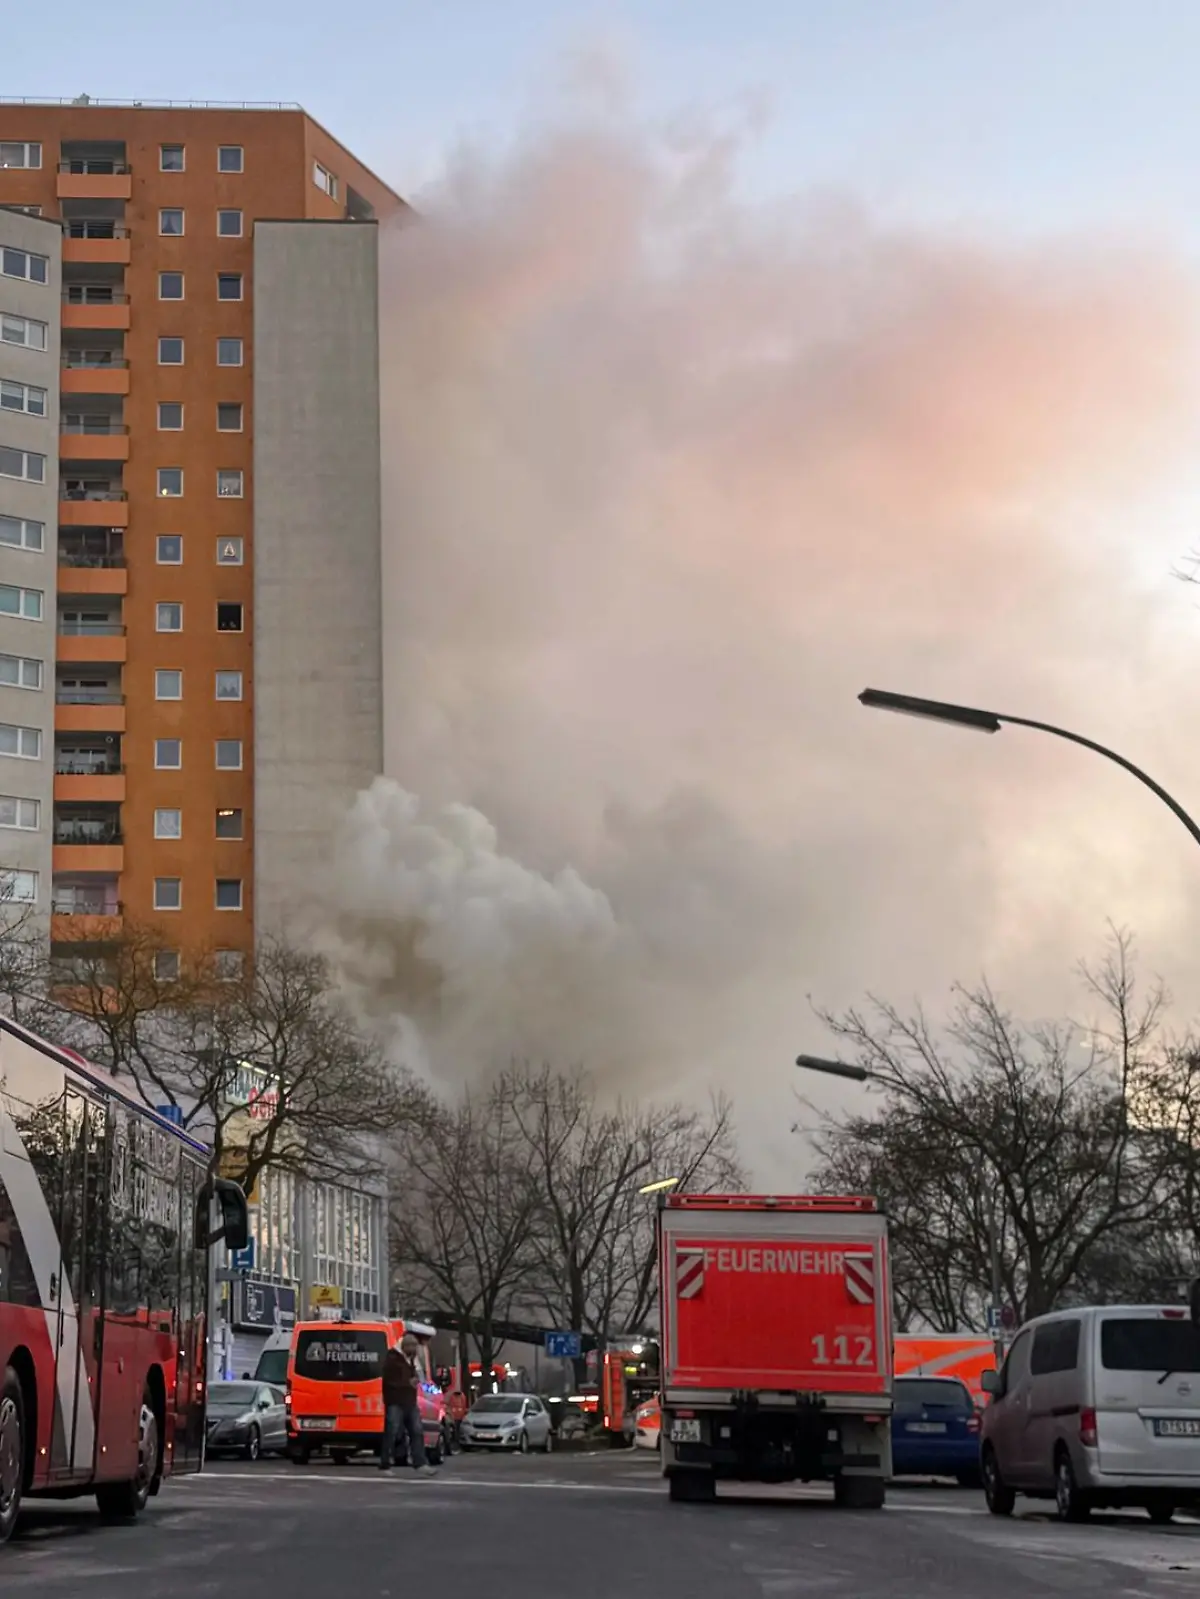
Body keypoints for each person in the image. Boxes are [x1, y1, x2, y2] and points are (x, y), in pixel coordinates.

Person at [380, 1333, 437, 1476]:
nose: (413, 1350)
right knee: (392, 1432)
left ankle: (420, 1462)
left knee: (416, 1431)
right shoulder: (393, 1359)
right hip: (396, 1401)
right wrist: (409, 1383)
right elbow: (390, 1380)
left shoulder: (410, 1359)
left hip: (409, 1401)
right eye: (412, 1347)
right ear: (405, 1346)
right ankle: (385, 1463)